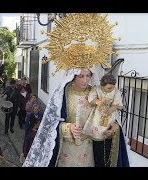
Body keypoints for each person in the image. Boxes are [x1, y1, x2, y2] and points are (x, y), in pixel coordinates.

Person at [23, 13, 129, 167]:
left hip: (89, 153)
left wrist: (112, 129)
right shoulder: (62, 95)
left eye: (88, 75)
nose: (85, 80)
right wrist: (68, 128)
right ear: (72, 76)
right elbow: (50, 125)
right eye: (80, 76)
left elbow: (108, 118)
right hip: (66, 154)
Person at [83, 74, 123, 141]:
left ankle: (107, 136)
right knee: (96, 124)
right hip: (98, 112)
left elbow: (117, 104)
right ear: (102, 85)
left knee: (109, 127)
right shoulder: (96, 89)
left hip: (109, 113)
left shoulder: (116, 91)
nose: (111, 89)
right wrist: (97, 101)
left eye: (113, 87)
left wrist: (111, 109)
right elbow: (91, 100)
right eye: (109, 88)